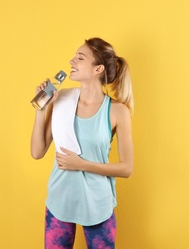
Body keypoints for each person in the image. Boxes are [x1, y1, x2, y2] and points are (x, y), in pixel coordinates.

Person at [31, 37, 134, 249]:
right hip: (60, 199)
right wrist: (41, 110)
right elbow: (37, 151)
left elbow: (126, 168)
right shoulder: (61, 99)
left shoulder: (117, 111)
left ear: (98, 69)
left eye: (80, 58)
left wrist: (82, 165)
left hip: (98, 204)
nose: (71, 61)